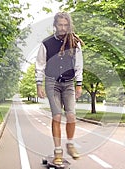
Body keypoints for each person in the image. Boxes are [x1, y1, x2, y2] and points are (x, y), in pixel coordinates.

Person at [35, 12, 84, 165]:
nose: (62, 28)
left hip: (69, 83)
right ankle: (58, 151)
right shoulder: (46, 43)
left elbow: (79, 65)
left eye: (65, 25)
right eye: (60, 25)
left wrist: (79, 84)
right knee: (56, 116)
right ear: (55, 25)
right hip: (52, 83)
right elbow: (40, 65)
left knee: (71, 116)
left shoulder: (75, 43)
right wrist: (39, 85)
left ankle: (70, 144)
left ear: (69, 25)